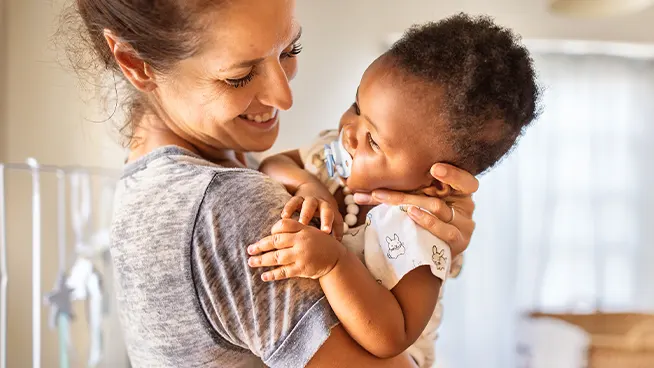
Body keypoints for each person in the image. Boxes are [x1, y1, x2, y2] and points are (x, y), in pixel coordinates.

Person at [65, 0, 479, 367]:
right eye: (240, 76)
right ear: (136, 63)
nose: (285, 97)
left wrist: (432, 248)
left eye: (289, 50)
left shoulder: (180, 177)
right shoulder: (223, 204)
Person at [251, 14, 539, 367]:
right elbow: (273, 165)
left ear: (436, 183)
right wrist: (309, 185)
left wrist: (334, 264)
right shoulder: (339, 160)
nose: (349, 131)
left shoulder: (418, 230)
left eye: (373, 139)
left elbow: (392, 335)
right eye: (356, 107)